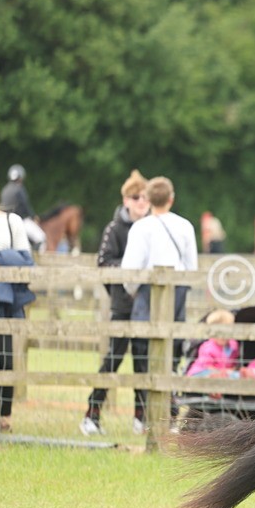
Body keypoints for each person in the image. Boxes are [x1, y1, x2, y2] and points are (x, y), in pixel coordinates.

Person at [121, 176, 198, 433]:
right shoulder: (184, 226)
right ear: (171, 198)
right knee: (174, 355)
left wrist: (134, 292)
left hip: (147, 294)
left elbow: (130, 270)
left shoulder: (141, 228)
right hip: (176, 293)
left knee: (143, 354)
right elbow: (191, 267)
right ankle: (171, 415)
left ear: (149, 199)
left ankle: (143, 417)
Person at [81, 170, 152, 436]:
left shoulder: (152, 227)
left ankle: (141, 417)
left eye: (145, 197)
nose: (141, 202)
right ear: (126, 200)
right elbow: (103, 262)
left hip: (146, 304)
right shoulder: (115, 229)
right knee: (113, 359)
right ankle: (92, 414)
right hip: (122, 304)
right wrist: (129, 271)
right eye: (136, 197)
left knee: (143, 361)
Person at [0, 168, 37, 434]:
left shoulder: (12, 222)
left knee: (5, 357)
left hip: (4, 300)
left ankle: (4, 413)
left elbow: (26, 260)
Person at [0, 164, 45, 252]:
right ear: (21, 177)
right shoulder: (20, 189)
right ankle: (36, 258)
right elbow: (25, 205)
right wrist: (33, 216)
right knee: (41, 237)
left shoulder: (4, 190)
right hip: (20, 220)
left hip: (5, 221)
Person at [186, 310, 240, 378]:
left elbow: (234, 363)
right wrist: (223, 373)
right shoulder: (208, 347)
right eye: (218, 333)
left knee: (236, 375)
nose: (223, 336)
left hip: (223, 373)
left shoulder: (233, 345)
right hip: (202, 373)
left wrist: (230, 371)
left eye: (226, 332)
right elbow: (207, 366)